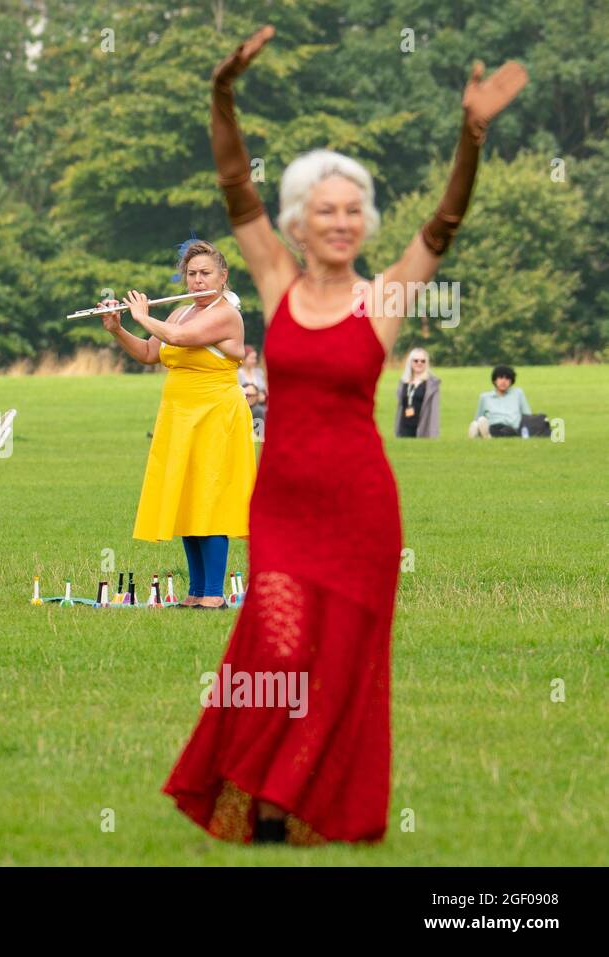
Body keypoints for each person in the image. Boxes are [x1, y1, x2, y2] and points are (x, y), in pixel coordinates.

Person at [164, 25, 526, 843]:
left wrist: (470, 137)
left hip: (363, 506)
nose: (340, 221)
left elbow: (446, 220)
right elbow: (232, 182)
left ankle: (301, 808)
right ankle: (255, 793)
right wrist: (222, 94)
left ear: (364, 223)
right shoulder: (274, 278)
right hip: (284, 503)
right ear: (296, 221)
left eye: (353, 210)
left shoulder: (389, 298)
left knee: (344, 665)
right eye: (324, 210)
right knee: (275, 649)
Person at [100, 240, 256, 610]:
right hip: (180, 417)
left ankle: (214, 594)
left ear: (223, 276)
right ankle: (195, 593)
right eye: (192, 275)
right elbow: (152, 353)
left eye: (205, 274)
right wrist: (118, 329)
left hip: (216, 416)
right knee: (187, 500)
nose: (198, 281)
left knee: (211, 500)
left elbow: (182, 340)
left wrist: (141, 314)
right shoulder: (178, 313)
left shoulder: (225, 314)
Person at [468, 364, 530, 438]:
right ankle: (481, 433)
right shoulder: (485, 397)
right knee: (483, 423)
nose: (503, 381)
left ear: (511, 381)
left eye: (507, 379)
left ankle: (486, 436)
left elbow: (527, 415)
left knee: (507, 431)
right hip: (493, 425)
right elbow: (478, 417)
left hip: (511, 427)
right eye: (500, 378)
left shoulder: (518, 393)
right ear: (495, 380)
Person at [394, 347, 441, 437]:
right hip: (404, 428)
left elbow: (434, 412)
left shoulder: (431, 384)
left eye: (423, 361)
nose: (419, 363)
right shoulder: (404, 382)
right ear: (410, 363)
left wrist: (434, 434)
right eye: (416, 361)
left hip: (422, 428)